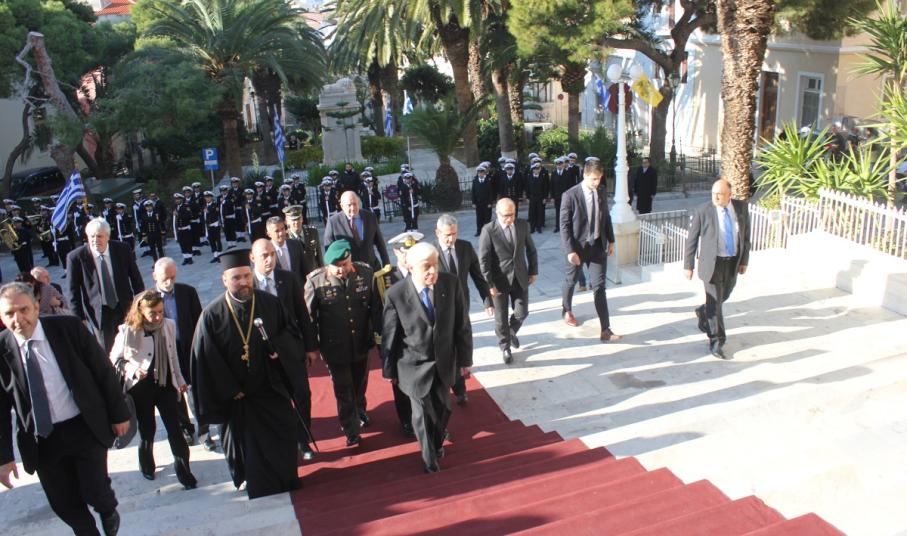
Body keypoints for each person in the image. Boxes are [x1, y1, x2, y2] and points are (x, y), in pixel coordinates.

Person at [0, 282, 130, 536]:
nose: (18, 319)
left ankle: (107, 508)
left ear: (36, 306)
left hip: (83, 425)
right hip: (42, 440)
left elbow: (102, 370)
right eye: (9, 313)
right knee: (64, 504)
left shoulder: (68, 328)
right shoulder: (2, 349)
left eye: (24, 310)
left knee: (95, 490)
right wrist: (4, 457)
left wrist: (119, 413)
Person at [190, 247, 304, 499]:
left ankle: (286, 479)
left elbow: (291, 333)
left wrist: (277, 348)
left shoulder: (269, 303)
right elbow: (206, 358)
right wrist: (231, 388)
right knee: (248, 447)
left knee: (282, 435)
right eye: (236, 278)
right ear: (224, 280)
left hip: (270, 387)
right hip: (239, 397)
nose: (243, 282)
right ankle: (255, 483)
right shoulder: (212, 315)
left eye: (246, 276)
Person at [382, 242, 473, 473]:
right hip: (412, 365)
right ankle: (429, 459)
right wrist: (389, 370)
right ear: (411, 267)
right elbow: (390, 335)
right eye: (426, 267)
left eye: (435, 265)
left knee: (444, 410)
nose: (433, 271)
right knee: (421, 414)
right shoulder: (395, 294)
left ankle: (437, 443)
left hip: (444, 361)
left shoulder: (451, 284)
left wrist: (465, 360)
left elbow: (462, 325)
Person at [109, 290, 198, 489]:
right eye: (153, 313)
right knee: (147, 429)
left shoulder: (168, 325)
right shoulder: (127, 331)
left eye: (160, 311)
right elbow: (114, 359)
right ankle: (146, 464)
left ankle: (184, 471)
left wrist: (179, 380)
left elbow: (173, 357)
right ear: (141, 311)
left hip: (165, 384)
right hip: (141, 388)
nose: (158, 317)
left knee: (175, 429)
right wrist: (134, 370)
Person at [304, 240, 382, 447]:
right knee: (343, 387)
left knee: (360, 381)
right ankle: (351, 429)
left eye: (345, 264)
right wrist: (311, 348)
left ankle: (360, 409)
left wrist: (379, 336)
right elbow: (309, 318)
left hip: (361, 341)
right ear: (327, 265)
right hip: (334, 346)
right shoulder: (316, 281)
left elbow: (375, 308)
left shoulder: (365, 273)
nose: (342, 270)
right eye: (337, 267)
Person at [249, 239, 319, 459]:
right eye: (264, 255)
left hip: (290, 348)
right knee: (274, 399)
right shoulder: (247, 283)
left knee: (302, 394)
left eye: (272, 254)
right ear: (252, 257)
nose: (270, 259)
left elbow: (302, 314)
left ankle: (303, 440)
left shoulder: (288, 279)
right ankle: (281, 442)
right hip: (262, 353)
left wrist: (310, 347)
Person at [684, 179, 751, 360]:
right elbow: (691, 239)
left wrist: (744, 261)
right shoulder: (703, 211)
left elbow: (746, 237)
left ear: (729, 195)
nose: (715, 197)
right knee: (715, 304)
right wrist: (688, 265)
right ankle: (717, 341)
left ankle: (703, 311)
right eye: (713, 193)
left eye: (720, 194)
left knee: (724, 296)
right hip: (712, 264)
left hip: (732, 263)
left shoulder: (741, 208)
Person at [560, 157, 620, 342]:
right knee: (571, 280)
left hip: (597, 246)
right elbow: (564, 226)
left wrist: (611, 240)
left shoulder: (600, 191)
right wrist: (570, 251)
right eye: (594, 179)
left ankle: (605, 329)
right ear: (585, 175)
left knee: (599, 287)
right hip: (578, 248)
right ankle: (566, 309)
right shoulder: (570, 195)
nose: (597, 182)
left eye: (599, 178)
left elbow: (606, 217)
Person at [434, 214, 493, 404]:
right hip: (439, 309)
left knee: (460, 342)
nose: (451, 239)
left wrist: (487, 300)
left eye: (454, 234)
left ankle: (460, 388)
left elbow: (478, 276)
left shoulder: (465, 247)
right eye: (447, 235)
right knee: (445, 346)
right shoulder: (431, 252)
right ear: (437, 233)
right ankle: (443, 385)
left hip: (461, 305)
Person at [66, 218, 145, 353]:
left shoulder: (122, 249)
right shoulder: (76, 257)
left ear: (107, 236)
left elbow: (136, 279)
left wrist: (141, 305)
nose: (95, 240)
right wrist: (79, 319)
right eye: (92, 236)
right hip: (99, 313)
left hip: (124, 306)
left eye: (99, 236)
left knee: (131, 346)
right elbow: (73, 292)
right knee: (107, 351)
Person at [151, 258, 206, 449]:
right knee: (174, 393)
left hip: (187, 349)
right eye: (165, 278)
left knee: (195, 391)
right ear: (155, 276)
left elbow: (199, 321)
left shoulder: (187, 292)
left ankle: (204, 429)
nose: (169, 282)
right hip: (164, 354)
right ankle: (185, 428)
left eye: (173, 277)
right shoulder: (147, 299)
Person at [479, 198, 538, 365]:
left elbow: (531, 249)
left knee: (522, 312)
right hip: (499, 281)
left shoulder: (522, 225)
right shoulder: (488, 230)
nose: (510, 218)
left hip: (520, 277)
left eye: (512, 214)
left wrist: (533, 271)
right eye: (506, 215)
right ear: (497, 213)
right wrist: (489, 284)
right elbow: (483, 260)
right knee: (501, 317)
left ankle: (511, 331)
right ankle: (505, 347)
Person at [375, 231, 423, 437]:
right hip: (398, 341)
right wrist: (384, 347)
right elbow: (378, 315)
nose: (409, 256)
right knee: (401, 383)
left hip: (421, 338)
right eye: (405, 252)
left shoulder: (424, 272)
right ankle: (406, 419)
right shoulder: (383, 278)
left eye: (413, 251)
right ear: (396, 252)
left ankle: (430, 420)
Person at [323, 191, 391, 270]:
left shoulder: (370, 217)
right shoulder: (333, 222)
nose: (353, 208)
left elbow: (380, 244)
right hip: (348, 271)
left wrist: (387, 265)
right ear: (342, 206)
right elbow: (329, 251)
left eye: (355, 204)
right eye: (349, 205)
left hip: (372, 267)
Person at [266, 216, 312, 284]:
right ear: (269, 234)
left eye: (282, 229)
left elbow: (305, 270)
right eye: (277, 231)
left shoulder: (296, 245)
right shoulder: (266, 251)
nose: (281, 233)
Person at [284, 205, 324, 271]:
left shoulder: (312, 232)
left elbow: (319, 255)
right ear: (287, 221)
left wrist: (322, 270)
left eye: (298, 218)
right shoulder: (285, 238)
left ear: (302, 218)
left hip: (313, 272)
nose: (296, 222)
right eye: (293, 220)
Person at [471, 164, 495, 236]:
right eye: (479, 172)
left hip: (487, 203)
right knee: (479, 218)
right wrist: (473, 203)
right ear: (477, 173)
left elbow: (490, 192)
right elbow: (473, 192)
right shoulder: (475, 181)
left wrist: (490, 202)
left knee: (487, 218)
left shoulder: (488, 180)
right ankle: (479, 231)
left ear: (484, 173)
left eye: (482, 172)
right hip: (478, 203)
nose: (480, 174)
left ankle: (488, 232)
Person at [525, 162, 549, 233]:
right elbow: (527, 188)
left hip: (540, 197)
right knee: (532, 213)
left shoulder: (542, 177)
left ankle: (539, 227)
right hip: (532, 198)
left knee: (539, 213)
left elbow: (545, 188)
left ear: (540, 169)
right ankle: (532, 228)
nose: (536, 170)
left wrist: (545, 198)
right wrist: (527, 197)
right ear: (532, 170)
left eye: (537, 169)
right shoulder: (529, 177)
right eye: (535, 169)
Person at [173, 193, 195, 266]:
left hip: (186, 228)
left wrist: (178, 215)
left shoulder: (186, 206)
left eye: (178, 199)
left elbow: (189, 216)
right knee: (182, 244)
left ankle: (190, 258)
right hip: (180, 229)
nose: (177, 200)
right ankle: (185, 258)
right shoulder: (175, 207)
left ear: (181, 199)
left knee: (188, 243)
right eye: (176, 199)